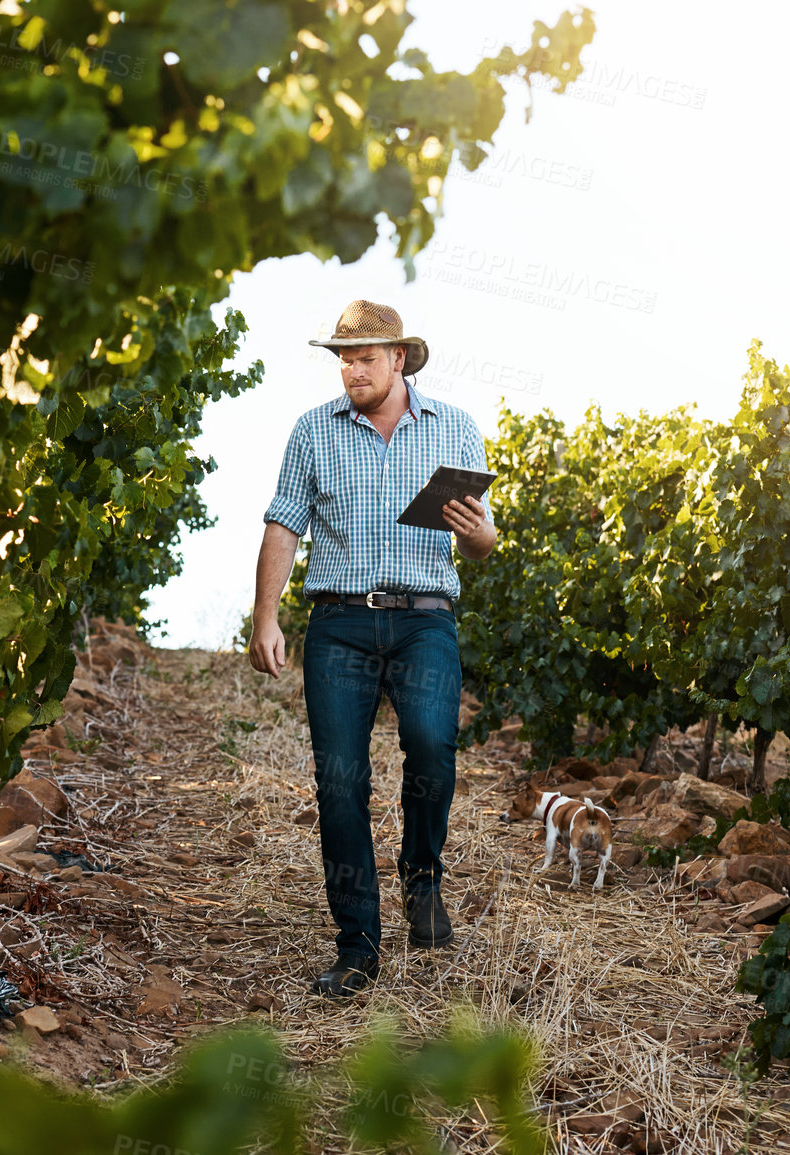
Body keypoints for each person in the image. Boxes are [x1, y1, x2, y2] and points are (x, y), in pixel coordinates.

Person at [248, 299, 497, 997]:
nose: (351, 370)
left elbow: (482, 546)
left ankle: (422, 877)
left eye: (364, 358)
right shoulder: (311, 432)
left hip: (423, 620)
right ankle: (357, 945)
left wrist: (471, 528)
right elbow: (281, 526)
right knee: (339, 781)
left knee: (430, 746)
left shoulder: (455, 428)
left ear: (399, 359)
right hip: (338, 623)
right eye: (343, 358)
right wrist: (264, 616)